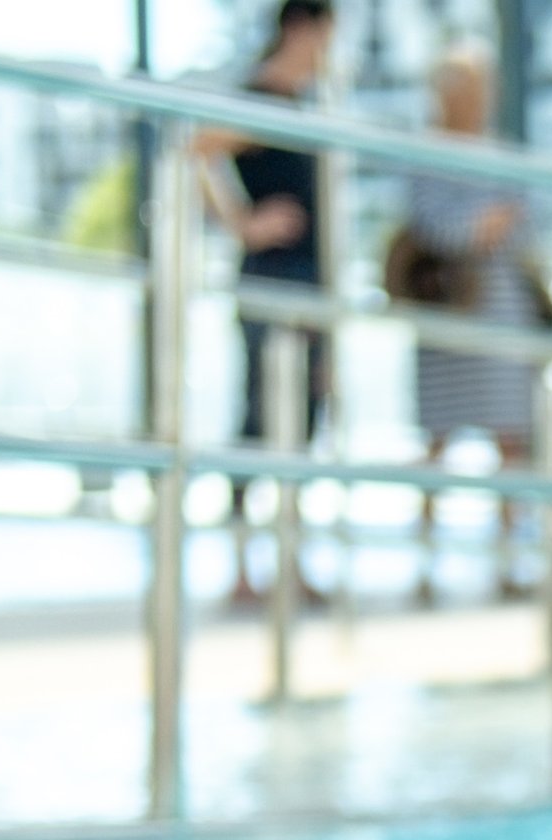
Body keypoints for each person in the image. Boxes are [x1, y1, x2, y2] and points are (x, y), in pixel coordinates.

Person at [398, 47, 547, 605]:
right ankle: (425, 564)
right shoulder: (423, 155)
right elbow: (432, 229)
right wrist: (480, 227)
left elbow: (527, 228)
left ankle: (511, 562)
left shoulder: (502, 154)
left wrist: (491, 229)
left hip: (504, 317)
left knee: (511, 441)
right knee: (438, 441)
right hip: (448, 314)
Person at [200, 0, 335, 608]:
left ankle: (291, 561)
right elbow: (197, 148)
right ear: (303, 29)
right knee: (258, 417)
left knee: (305, 421)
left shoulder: (309, 105)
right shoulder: (262, 99)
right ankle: (240, 566)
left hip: (311, 281)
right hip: (271, 274)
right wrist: (241, 223)